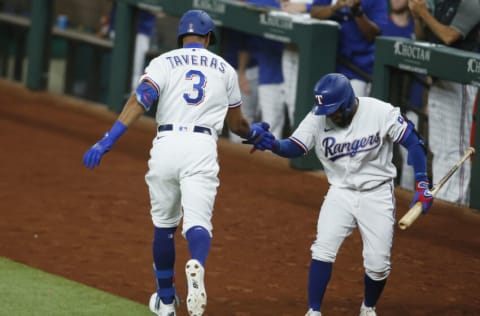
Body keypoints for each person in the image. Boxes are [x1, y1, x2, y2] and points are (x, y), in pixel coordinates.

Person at [82, 10, 272, 316]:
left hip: (166, 145)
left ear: (181, 36)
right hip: (201, 147)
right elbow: (238, 126)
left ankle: (167, 301)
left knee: (164, 226)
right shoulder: (225, 69)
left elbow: (139, 101)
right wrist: (256, 135)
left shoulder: (163, 62)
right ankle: (196, 262)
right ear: (209, 38)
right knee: (198, 223)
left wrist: (108, 139)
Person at [255, 73, 433, 316]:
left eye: (335, 110)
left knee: (378, 265)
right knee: (323, 249)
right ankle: (313, 311)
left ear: (348, 102)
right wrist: (274, 144)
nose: (330, 116)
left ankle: (368, 308)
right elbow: (296, 146)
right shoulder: (317, 118)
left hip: (377, 194)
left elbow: (414, 143)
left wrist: (422, 182)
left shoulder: (380, 112)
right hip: (340, 193)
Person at [409, 0, 480, 205]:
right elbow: (423, 37)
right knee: (439, 146)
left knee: (457, 146)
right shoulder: (440, 3)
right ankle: (442, 200)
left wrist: (424, 12)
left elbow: (449, 36)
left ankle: (455, 203)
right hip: (439, 80)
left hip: (461, 82)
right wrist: (417, 17)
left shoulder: (471, 3)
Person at [382, 0, 428, 191]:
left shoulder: (416, 26)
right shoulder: (382, 23)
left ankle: (408, 192)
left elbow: (423, 45)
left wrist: (417, 17)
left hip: (413, 96)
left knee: (410, 147)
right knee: (381, 149)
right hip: (386, 95)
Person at [309, 0, 388, 97]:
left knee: (352, 108)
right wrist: (335, 7)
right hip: (329, 65)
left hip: (358, 70)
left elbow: (373, 35)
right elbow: (314, 12)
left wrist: (356, 11)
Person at [223, 28, 260, 143]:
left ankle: (246, 156)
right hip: (238, 70)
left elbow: (244, 45)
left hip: (245, 71)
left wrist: (242, 74)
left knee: (244, 117)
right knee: (241, 117)